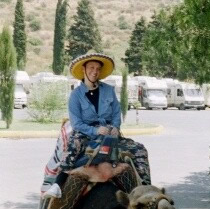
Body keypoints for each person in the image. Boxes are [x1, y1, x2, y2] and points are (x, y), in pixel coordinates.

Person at [43, 53, 151, 198]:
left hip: (108, 133)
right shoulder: (76, 95)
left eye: (98, 69)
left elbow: (115, 113)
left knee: (139, 149)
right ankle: (57, 184)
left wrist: (115, 128)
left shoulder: (109, 90)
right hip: (85, 133)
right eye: (91, 67)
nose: (95, 71)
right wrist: (95, 130)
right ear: (84, 69)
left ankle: (145, 188)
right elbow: (76, 123)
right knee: (72, 146)